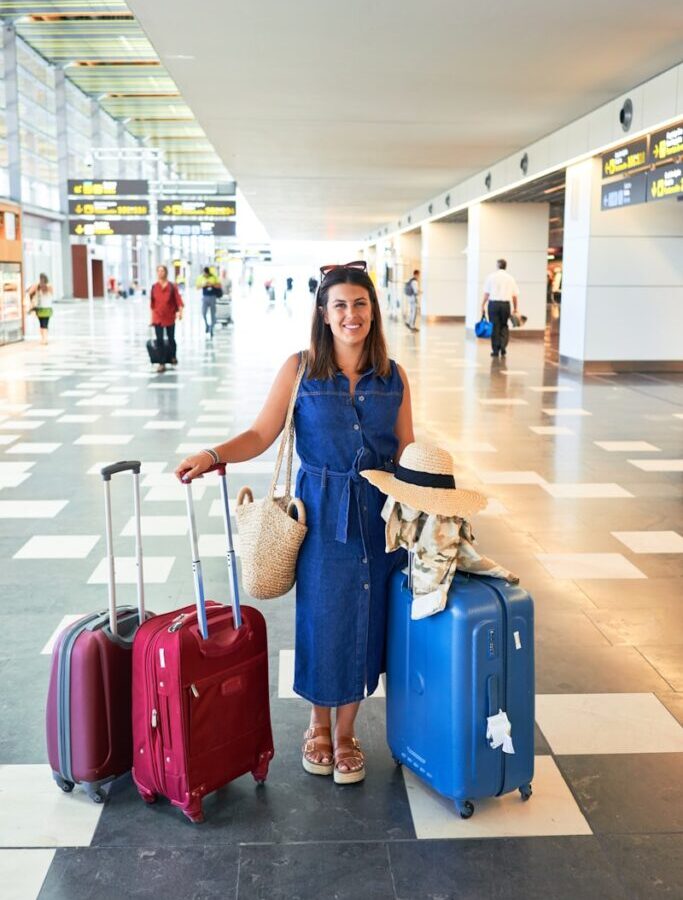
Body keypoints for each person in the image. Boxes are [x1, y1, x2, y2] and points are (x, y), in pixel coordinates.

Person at [175, 261, 414, 785]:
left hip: (377, 514)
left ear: (373, 311)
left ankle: (348, 731)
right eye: (341, 306)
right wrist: (214, 454)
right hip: (321, 512)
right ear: (324, 315)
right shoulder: (301, 369)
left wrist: (437, 498)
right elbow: (262, 434)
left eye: (360, 305)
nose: (351, 315)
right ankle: (318, 726)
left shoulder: (393, 377)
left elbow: (408, 449)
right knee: (324, 617)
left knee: (369, 618)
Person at [481, 258, 519, 358]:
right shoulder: (510, 278)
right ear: (505, 266)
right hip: (505, 305)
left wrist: (482, 305)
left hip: (493, 304)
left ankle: (495, 350)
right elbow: (515, 295)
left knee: (494, 326)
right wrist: (515, 308)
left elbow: (486, 294)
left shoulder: (491, 277)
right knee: (504, 325)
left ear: (497, 266)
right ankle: (503, 346)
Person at [150, 264, 183, 373]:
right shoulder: (154, 287)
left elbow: (178, 300)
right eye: (158, 271)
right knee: (159, 340)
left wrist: (180, 313)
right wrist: (151, 319)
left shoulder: (172, 286)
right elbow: (152, 304)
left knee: (171, 338)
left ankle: (173, 356)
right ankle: (161, 363)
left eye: (162, 271)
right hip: (158, 317)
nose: (160, 273)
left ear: (166, 272)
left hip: (169, 316)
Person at [27, 273, 54, 345]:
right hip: (46, 309)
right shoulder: (48, 286)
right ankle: (45, 339)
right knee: (45, 324)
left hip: (40, 309)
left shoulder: (38, 286)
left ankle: (43, 339)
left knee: (42, 324)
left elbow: (29, 292)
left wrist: (38, 285)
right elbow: (52, 292)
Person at [195, 266, 220, 338]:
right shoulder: (201, 277)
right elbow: (197, 287)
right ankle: (207, 325)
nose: (206, 275)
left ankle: (211, 328)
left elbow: (219, 285)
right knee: (203, 313)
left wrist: (212, 284)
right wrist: (204, 285)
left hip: (213, 297)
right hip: (205, 297)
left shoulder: (214, 277)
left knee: (213, 314)